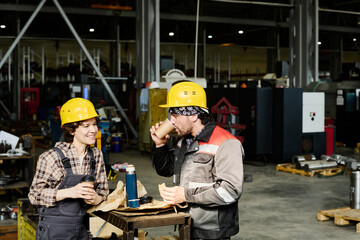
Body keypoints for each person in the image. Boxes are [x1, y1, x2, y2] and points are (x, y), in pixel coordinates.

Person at [150, 81, 244, 239]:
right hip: (187, 225)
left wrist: (186, 195)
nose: (171, 121)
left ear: (193, 115)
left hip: (212, 231)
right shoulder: (185, 141)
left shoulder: (226, 143)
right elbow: (165, 170)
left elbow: (230, 191)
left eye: (175, 115)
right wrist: (160, 145)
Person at [29, 97, 109, 240]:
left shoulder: (96, 155)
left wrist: (95, 198)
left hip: (82, 229)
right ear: (71, 130)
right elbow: (34, 195)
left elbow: (103, 192)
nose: (94, 130)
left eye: (94, 124)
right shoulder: (50, 157)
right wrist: (70, 192)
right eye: (86, 126)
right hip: (53, 230)